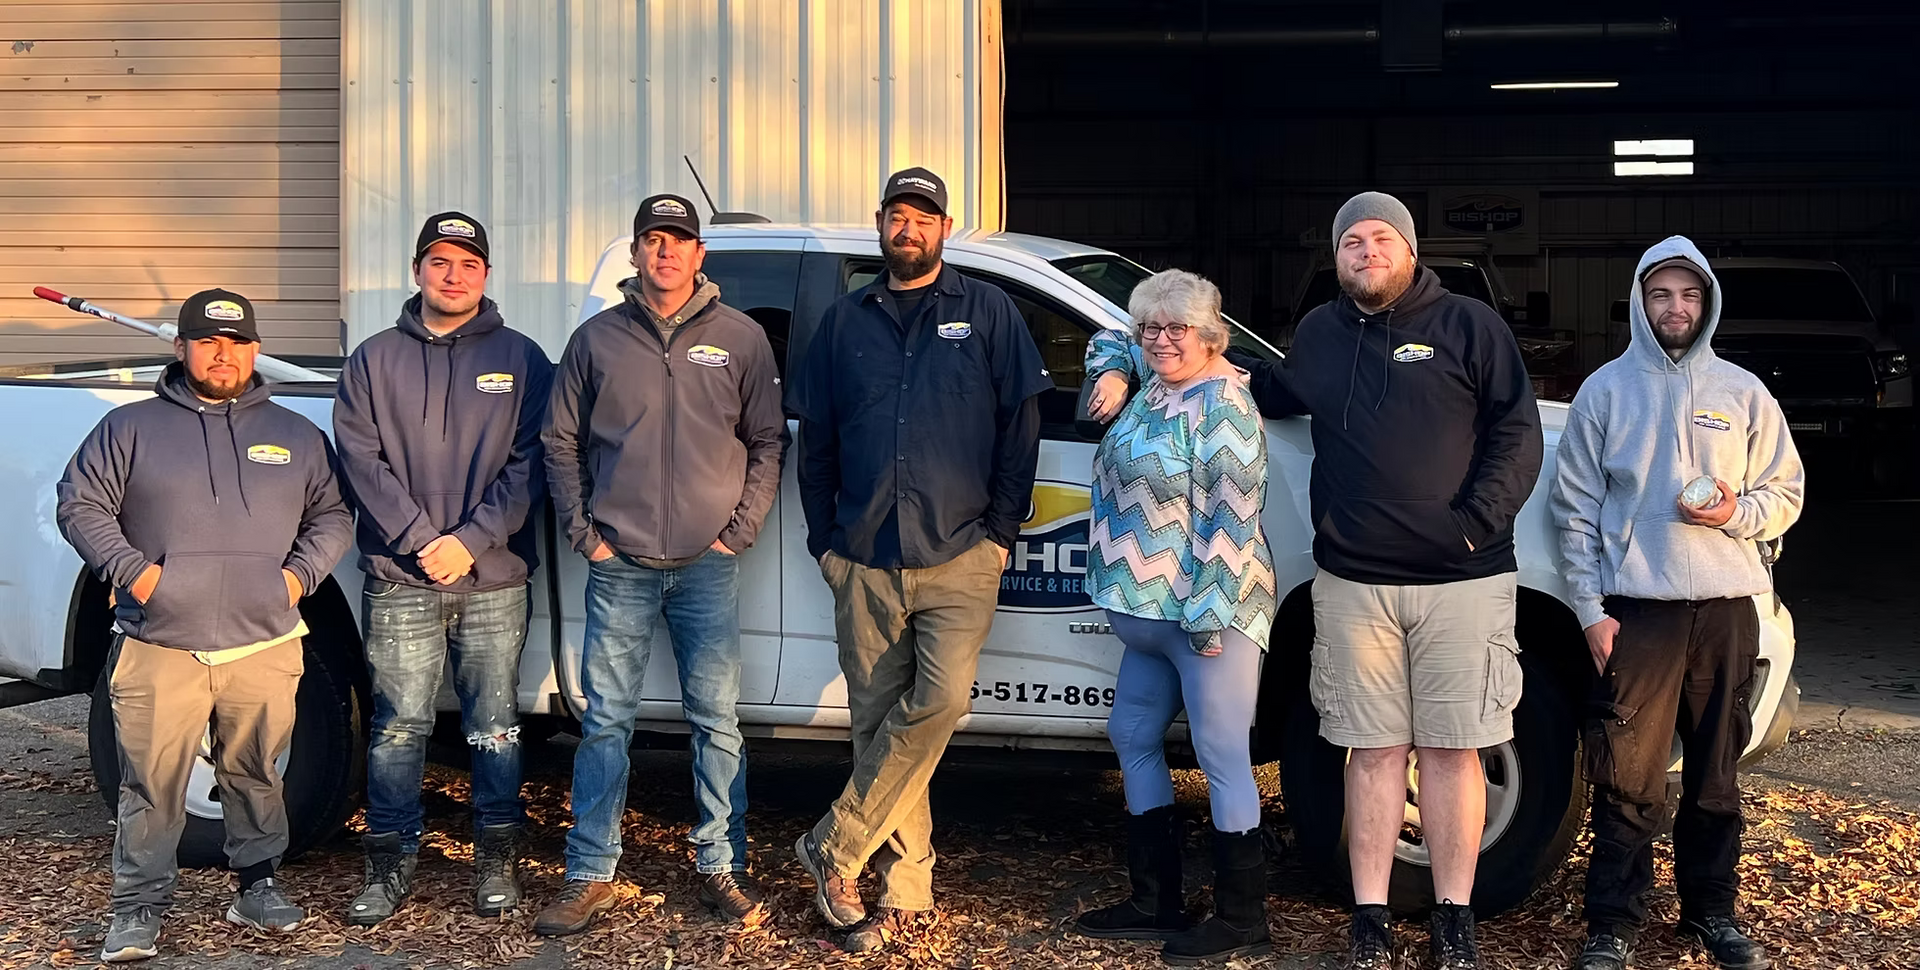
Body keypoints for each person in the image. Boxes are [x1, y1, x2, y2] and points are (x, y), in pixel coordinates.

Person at [1089, 191, 1542, 969]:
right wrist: (1123, 365)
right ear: (1335, 257)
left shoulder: (1470, 325)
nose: (1366, 253)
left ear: (1407, 248)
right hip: (1352, 578)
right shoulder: (1320, 335)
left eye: (1380, 239)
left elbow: (1518, 430)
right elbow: (1232, 369)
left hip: (1453, 578)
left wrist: (1472, 524)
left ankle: (1451, 917)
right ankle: (1362, 917)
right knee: (1369, 750)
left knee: (1449, 749)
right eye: (1351, 243)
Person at [787, 166, 1052, 953]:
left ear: (944, 229)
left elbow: (1021, 429)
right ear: (880, 225)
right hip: (864, 556)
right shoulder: (843, 323)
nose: (910, 228)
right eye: (898, 216)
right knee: (878, 727)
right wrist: (826, 545)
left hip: (961, 550)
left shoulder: (990, 312)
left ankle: (834, 842)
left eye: (924, 217)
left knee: (937, 708)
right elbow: (817, 446)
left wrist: (1000, 534)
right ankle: (906, 888)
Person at [55, 289, 354, 962]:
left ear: (254, 350)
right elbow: (80, 505)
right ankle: (137, 908)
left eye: (238, 342)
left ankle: (257, 886)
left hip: (266, 641)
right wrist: (138, 575)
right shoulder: (129, 429)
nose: (225, 354)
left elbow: (332, 517)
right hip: (160, 642)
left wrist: (295, 579)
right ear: (181, 346)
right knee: (152, 783)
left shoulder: (296, 436)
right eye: (210, 340)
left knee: (254, 772)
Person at [535, 193, 786, 935]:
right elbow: (558, 441)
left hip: (708, 565)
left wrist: (736, 534)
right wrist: (588, 534)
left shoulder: (741, 339)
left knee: (717, 722)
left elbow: (768, 442)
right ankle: (589, 874)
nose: (666, 252)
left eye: (680, 240)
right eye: (653, 239)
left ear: (700, 254)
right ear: (638, 252)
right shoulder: (596, 342)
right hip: (620, 563)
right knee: (606, 722)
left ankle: (719, 867)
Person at [1553, 237, 1803, 970]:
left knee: (1715, 776)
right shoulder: (1604, 391)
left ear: (1707, 303)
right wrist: (1590, 610)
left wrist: (1734, 516)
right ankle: (1613, 922)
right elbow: (1573, 510)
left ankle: (1710, 913)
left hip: (1726, 608)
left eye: (1689, 295)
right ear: (1639, 301)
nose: (1676, 308)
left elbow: (1785, 493)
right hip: (1640, 611)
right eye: (1661, 294)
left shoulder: (1744, 392)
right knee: (1627, 776)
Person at [332, 212, 554, 924]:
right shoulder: (372, 360)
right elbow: (360, 459)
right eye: (439, 262)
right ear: (418, 270)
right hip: (400, 578)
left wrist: (472, 540)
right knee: (399, 727)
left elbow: (532, 466)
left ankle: (495, 863)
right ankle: (389, 865)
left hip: (493, 579)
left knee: (494, 724)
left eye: (467, 263)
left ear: (486, 274)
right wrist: (423, 537)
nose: (452, 275)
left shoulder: (524, 360)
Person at [1070, 270, 1278, 965]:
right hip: (1146, 616)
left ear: (1212, 335)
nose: (1161, 340)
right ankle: (1153, 898)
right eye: (1151, 328)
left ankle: (1242, 916)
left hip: (1205, 620)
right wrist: (1114, 372)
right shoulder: (1157, 374)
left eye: (1177, 329)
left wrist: (1208, 620)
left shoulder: (1225, 406)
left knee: (1222, 757)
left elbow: (1233, 522)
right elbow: (1107, 330)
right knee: (1131, 731)